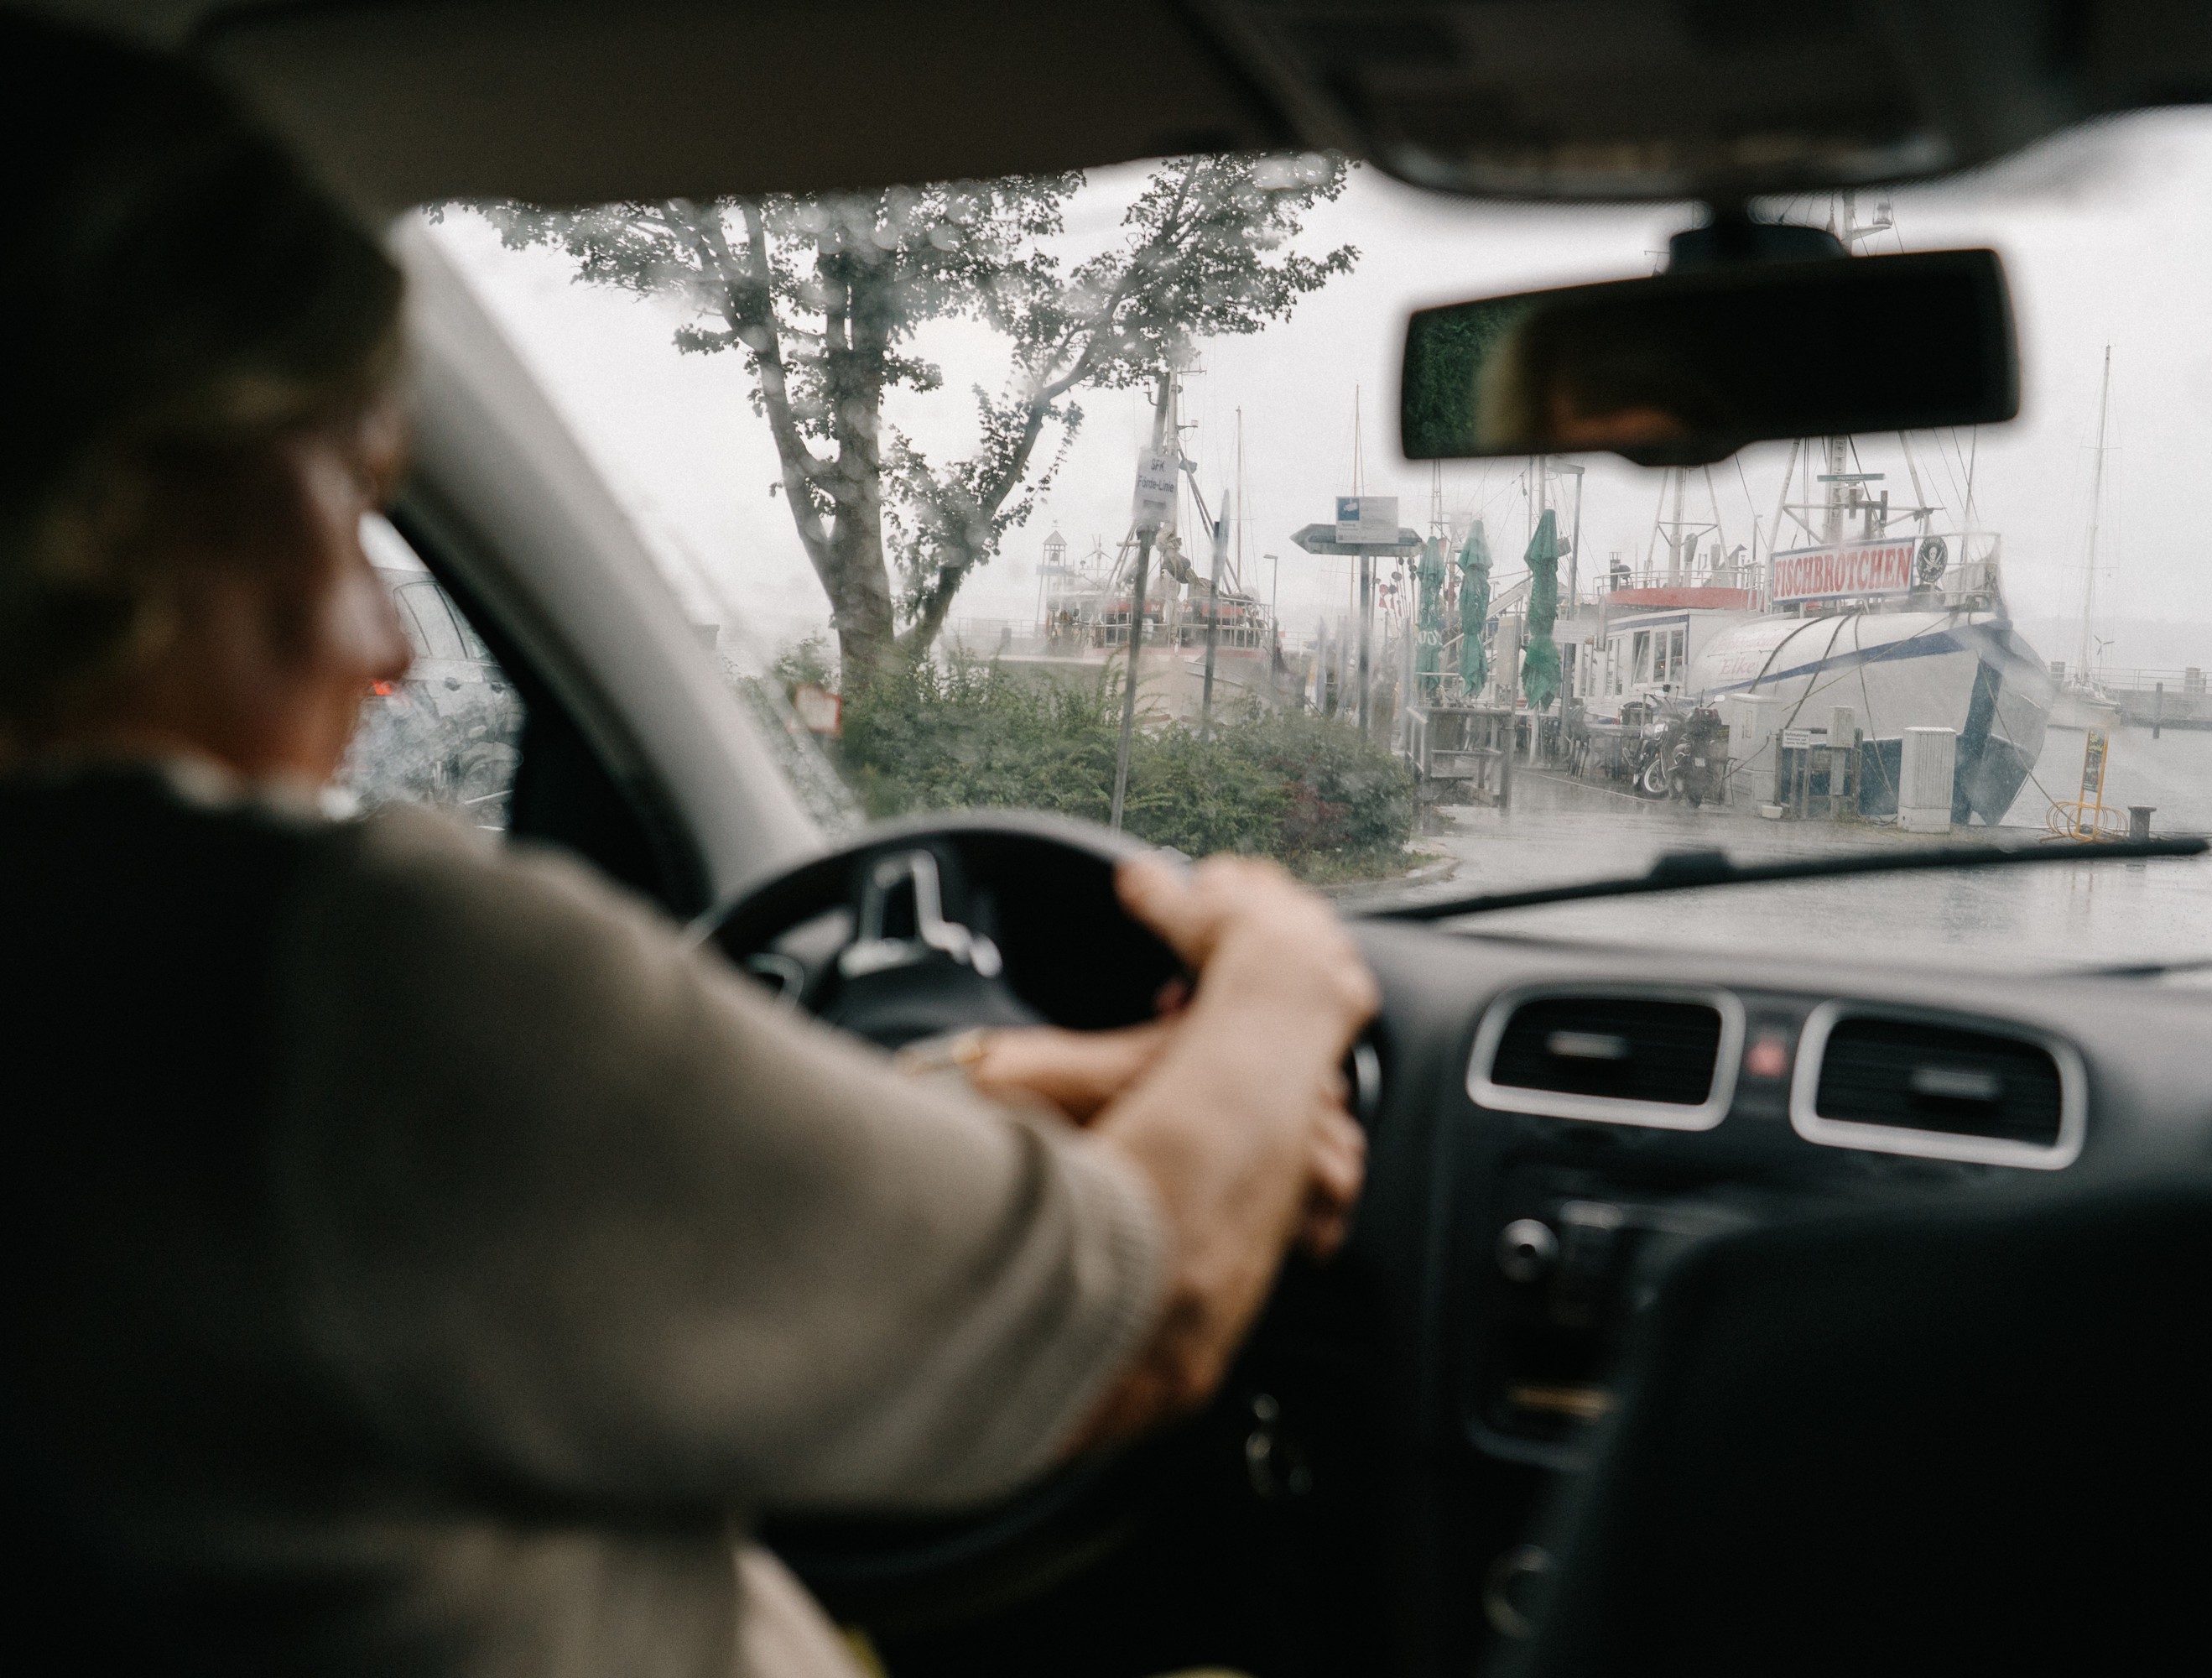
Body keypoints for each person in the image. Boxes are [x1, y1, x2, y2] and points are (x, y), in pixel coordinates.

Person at [0, 18, 1377, 1676]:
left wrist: (979, 1093)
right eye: (354, 502)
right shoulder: (318, 977)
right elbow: (1134, 1316)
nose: (392, 646)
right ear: (138, 496)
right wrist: (1282, 973)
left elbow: (524, 1219)